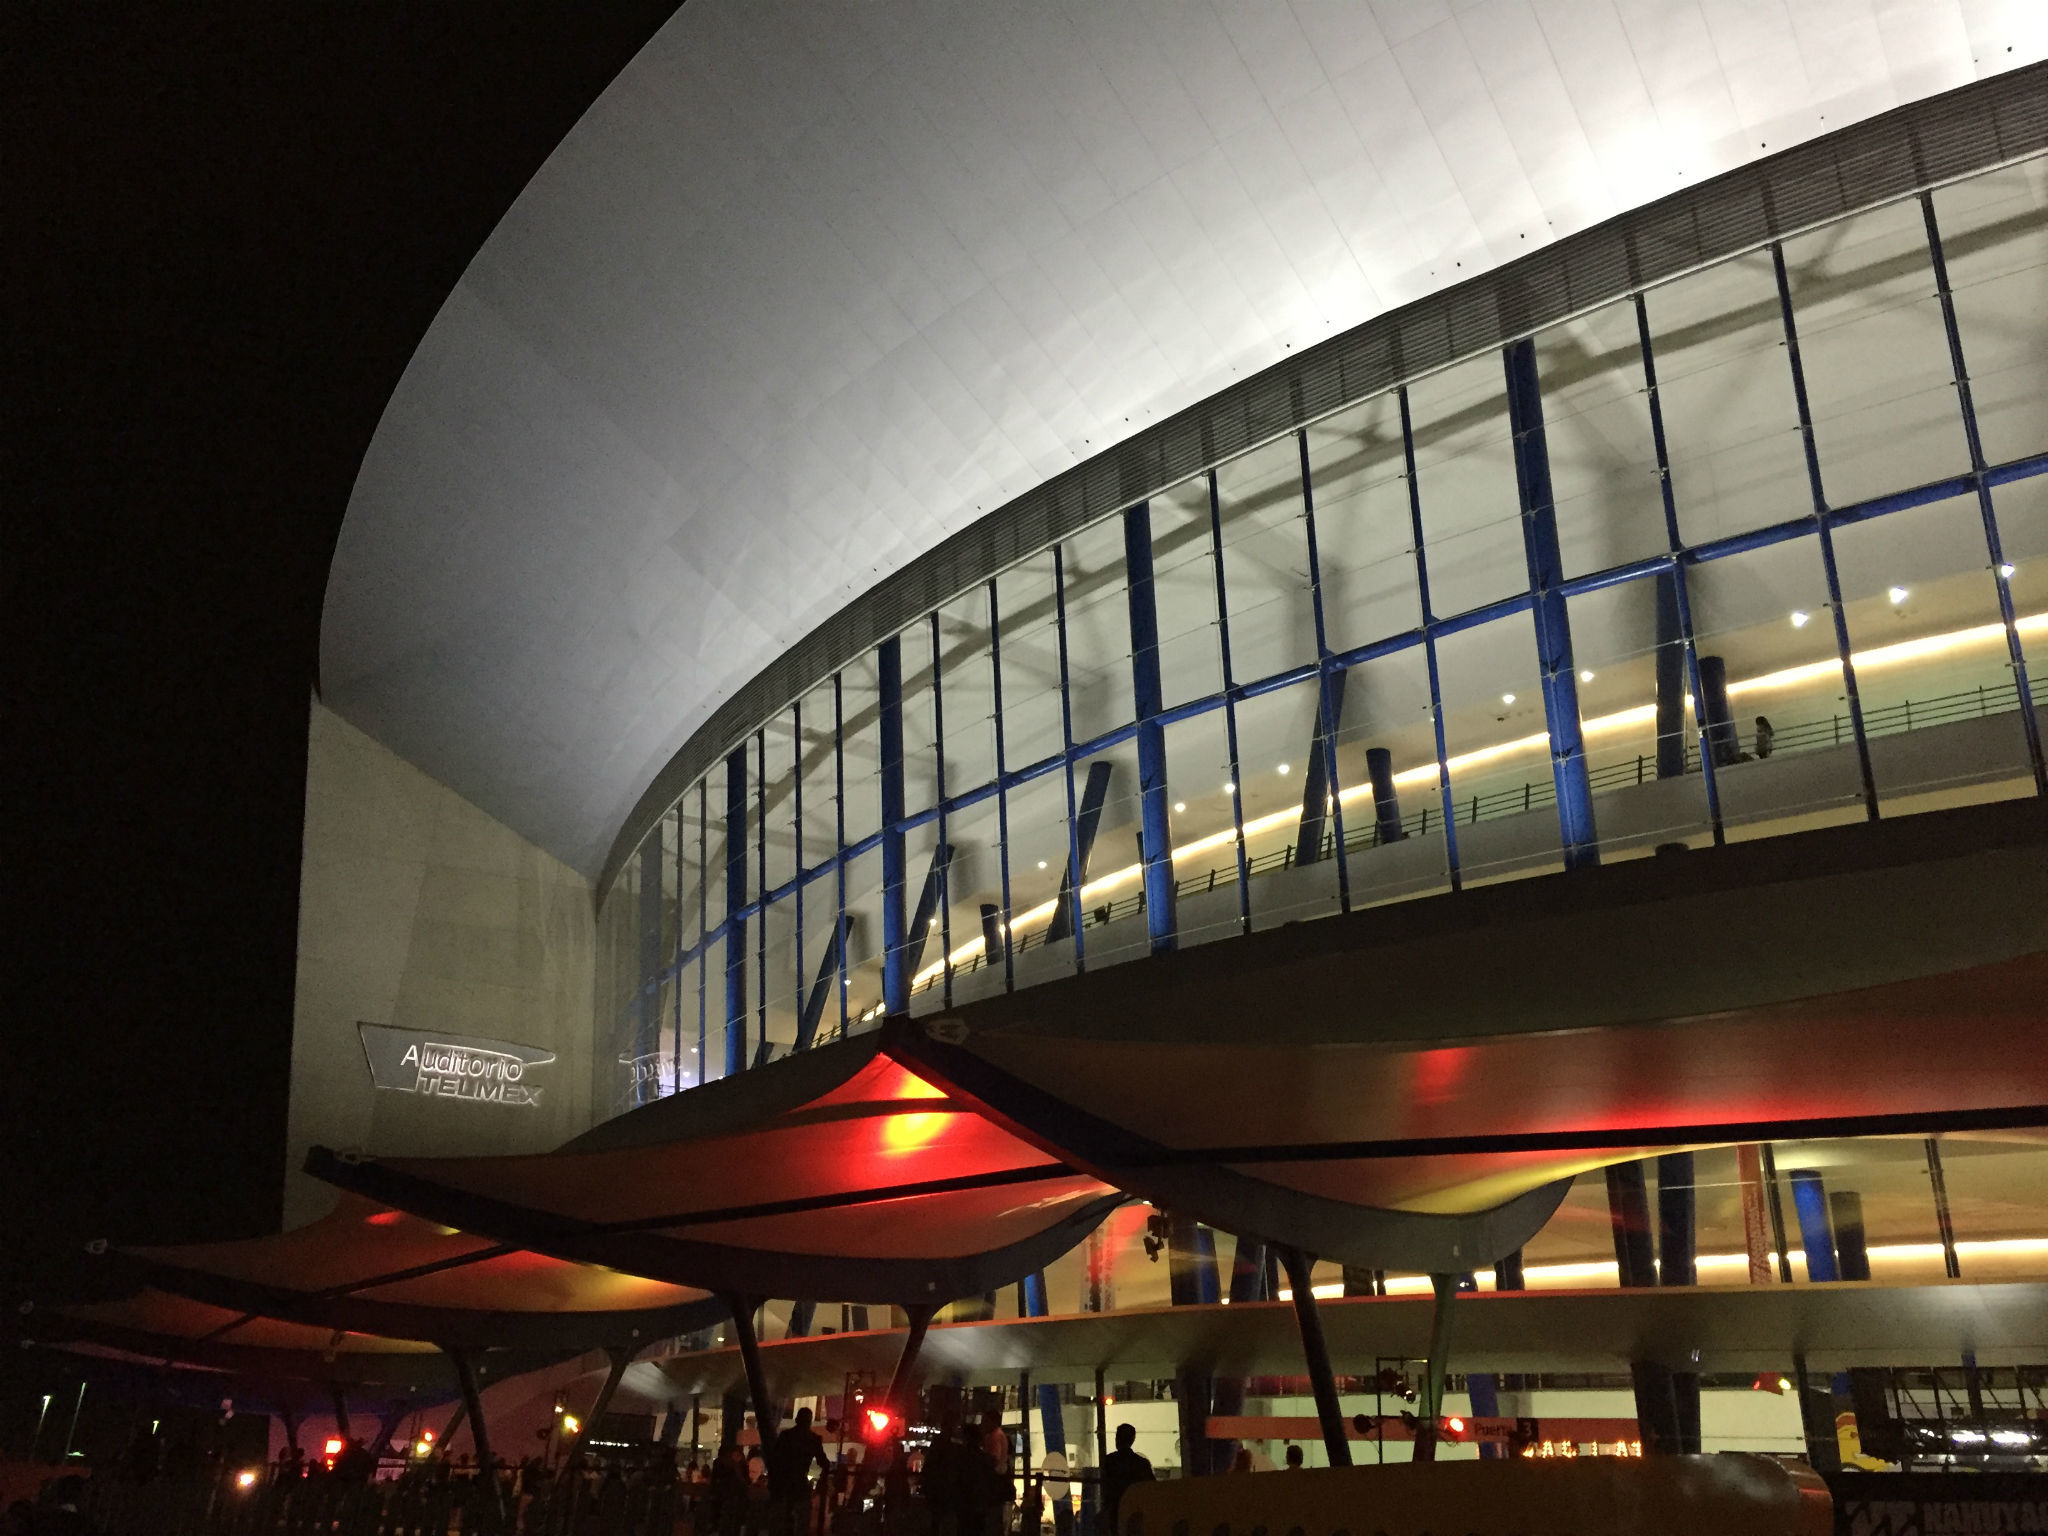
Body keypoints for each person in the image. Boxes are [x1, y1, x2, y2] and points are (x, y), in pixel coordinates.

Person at [766, 1408, 831, 1536]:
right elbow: (823, 1461)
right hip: (800, 1482)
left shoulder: (786, 1436)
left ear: (797, 1419)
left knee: (783, 1517)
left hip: (784, 1483)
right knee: (802, 1518)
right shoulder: (814, 1439)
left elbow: (775, 1459)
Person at [1098, 1425, 1151, 1536]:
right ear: (1132, 1440)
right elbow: (1151, 1488)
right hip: (1135, 1511)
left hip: (1114, 1510)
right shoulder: (1142, 1464)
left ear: (1117, 1438)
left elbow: (1105, 1488)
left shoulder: (1109, 1461)